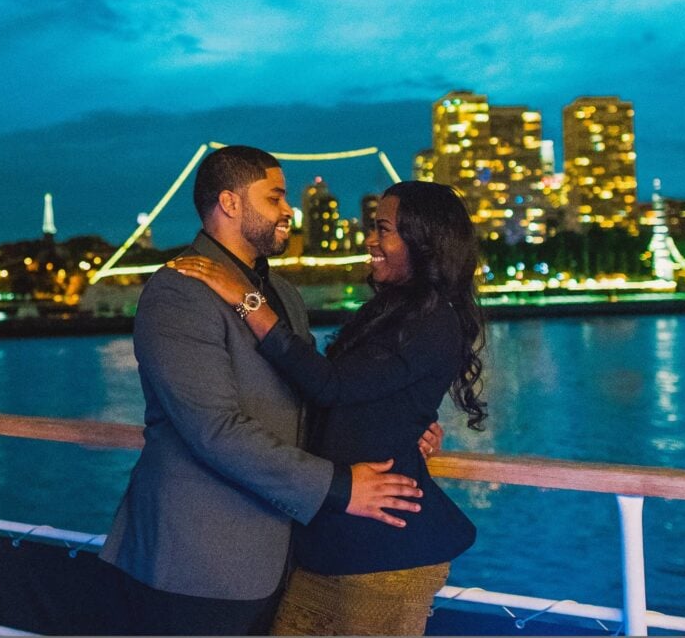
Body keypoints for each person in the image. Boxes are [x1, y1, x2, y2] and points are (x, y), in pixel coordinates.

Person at [99, 146, 442, 636]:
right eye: (275, 196)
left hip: (275, 558)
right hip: (194, 564)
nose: (289, 210)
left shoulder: (281, 293)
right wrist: (342, 488)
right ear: (230, 203)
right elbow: (214, 431)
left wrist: (399, 424)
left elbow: (314, 392)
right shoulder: (178, 291)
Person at [169, 179, 487, 635]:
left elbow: (331, 385)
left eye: (383, 230)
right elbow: (365, 392)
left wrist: (248, 301)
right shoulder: (394, 310)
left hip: (386, 551)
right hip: (335, 540)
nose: (370, 241)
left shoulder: (434, 320)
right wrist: (411, 421)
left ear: (423, 239)